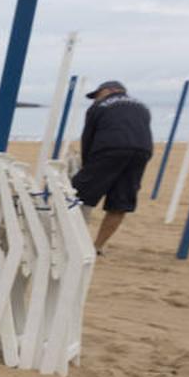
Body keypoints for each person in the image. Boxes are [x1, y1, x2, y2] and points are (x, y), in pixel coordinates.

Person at [71, 80, 152, 254]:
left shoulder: (99, 107)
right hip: (141, 151)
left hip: (110, 148)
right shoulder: (142, 107)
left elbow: (88, 138)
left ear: (108, 90)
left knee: (79, 193)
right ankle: (97, 246)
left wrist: (86, 166)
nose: (94, 99)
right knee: (120, 202)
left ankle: (76, 241)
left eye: (96, 95)